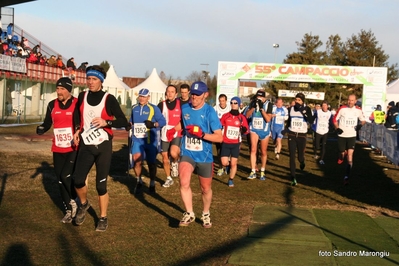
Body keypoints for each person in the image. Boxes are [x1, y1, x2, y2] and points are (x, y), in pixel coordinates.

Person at [72, 65, 129, 232]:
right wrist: (77, 128)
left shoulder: (109, 99)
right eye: (88, 79)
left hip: (103, 146)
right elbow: (77, 112)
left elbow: (123, 121)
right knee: (77, 180)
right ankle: (84, 204)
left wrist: (106, 122)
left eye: (94, 79)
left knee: (101, 185)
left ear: (101, 81)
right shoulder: (82, 96)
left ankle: (103, 217)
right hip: (86, 145)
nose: (90, 82)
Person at [178, 81, 222, 228]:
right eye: (193, 94)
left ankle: (205, 213)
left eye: (197, 95)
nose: (194, 97)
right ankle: (189, 213)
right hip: (188, 152)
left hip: (204, 156)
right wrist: (171, 130)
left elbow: (219, 137)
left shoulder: (210, 112)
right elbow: (181, 125)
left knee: (205, 189)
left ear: (205, 95)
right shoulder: (185, 109)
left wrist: (202, 134)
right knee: (183, 182)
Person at [36, 77, 78, 223]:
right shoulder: (51, 104)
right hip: (58, 147)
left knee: (67, 176)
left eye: (62, 89)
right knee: (60, 179)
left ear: (69, 90)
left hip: (74, 147)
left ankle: (75, 200)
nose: (59, 92)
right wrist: (42, 128)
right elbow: (48, 122)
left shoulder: (77, 103)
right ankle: (68, 209)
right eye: (57, 88)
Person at [130, 88, 166, 194]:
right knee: (136, 160)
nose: (141, 98)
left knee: (151, 163)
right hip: (137, 139)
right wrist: (129, 125)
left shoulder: (154, 108)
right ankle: (139, 181)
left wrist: (153, 124)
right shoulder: (134, 108)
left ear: (148, 97)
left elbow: (163, 121)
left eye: (144, 96)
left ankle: (152, 182)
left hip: (150, 140)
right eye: (140, 96)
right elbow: (131, 121)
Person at [333, 94, 366, 185]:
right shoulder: (342, 109)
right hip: (342, 135)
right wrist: (337, 128)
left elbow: (363, 120)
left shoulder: (358, 110)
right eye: (349, 100)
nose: (350, 102)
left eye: (352, 100)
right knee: (342, 154)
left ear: (355, 101)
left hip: (352, 135)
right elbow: (335, 119)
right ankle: (341, 156)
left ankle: (346, 176)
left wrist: (360, 125)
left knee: (350, 155)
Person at [220, 96, 249, 187]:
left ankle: (231, 179)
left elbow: (247, 131)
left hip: (236, 143)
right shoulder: (226, 116)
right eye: (232, 103)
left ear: (239, 104)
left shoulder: (241, 117)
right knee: (224, 162)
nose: (233, 104)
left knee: (234, 163)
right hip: (225, 142)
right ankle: (227, 166)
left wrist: (244, 130)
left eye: (235, 103)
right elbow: (219, 125)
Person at [286, 93, 314, 186]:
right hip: (292, 134)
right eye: (296, 99)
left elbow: (311, 120)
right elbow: (289, 121)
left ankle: (302, 161)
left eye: (299, 100)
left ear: (302, 101)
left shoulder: (307, 109)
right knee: (292, 156)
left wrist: (304, 112)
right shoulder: (291, 109)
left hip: (302, 135)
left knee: (300, 156)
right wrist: (285, 130)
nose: (297, 102)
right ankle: (293, 177)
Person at [157, 85, 182, 188]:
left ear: (176, 94)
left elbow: (184, 119)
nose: (170, 93)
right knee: (164, 157)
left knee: (173, 153)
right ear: (166, 93)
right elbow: (156, 117)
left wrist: (175, 128)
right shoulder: (161, 105)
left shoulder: (181, 104)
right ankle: (168, 178)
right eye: (168, 91)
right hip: (165, 132)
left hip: (176, 131)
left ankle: (175, 162)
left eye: (172, 92)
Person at [245, 90, 273, 180]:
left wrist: (261, 109)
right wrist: (253, 108)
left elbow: (268, 119)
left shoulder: (269, 104)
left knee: (263, 151)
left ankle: (262, 171)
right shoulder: (253, 103)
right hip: (254, 129)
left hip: (264, 130)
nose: (259, 98)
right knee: (253, 149)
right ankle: (253, 171)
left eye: (261, 97)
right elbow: (247, 115)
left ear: (264, 98)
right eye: (258, 97)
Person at [214, 94, 231, 176]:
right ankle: (220, 168)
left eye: (223, 101)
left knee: (227, 150)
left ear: (226, 101)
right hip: (218, 133)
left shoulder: (230, 108)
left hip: (227, 133)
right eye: (220, 101)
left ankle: (227, 164)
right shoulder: (215, 108)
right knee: (219, 151)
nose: (222, 103)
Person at [312, 100, 332, 165]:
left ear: (327, 106)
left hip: (325, 131)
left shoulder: (329, 113)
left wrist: (334, 127)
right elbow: (312, 118)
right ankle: (315, 154)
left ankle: (321, 159)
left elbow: (331, 121)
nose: (324, 107)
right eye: (323, 105)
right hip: (318, 131)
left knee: (323, 145)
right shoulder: (318, 112)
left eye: (325, 105)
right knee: (317, 145)